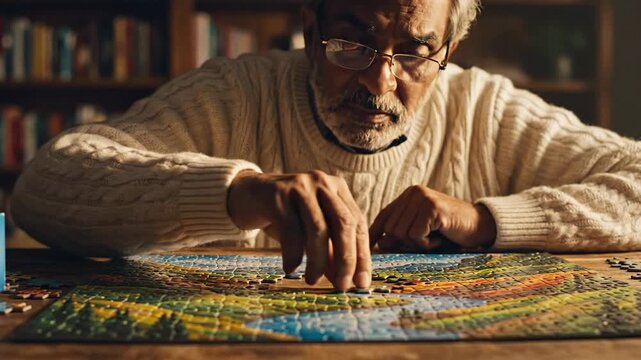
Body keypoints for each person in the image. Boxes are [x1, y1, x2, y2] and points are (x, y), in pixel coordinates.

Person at [10, 0, 641, 291]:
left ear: (448, 51)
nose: (379, 80)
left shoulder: (486, 107)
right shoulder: (236, 92)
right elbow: (46, 184)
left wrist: (485, 219)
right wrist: (237, 193)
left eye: (415, 52)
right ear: (310, 31)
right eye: (352, 43)